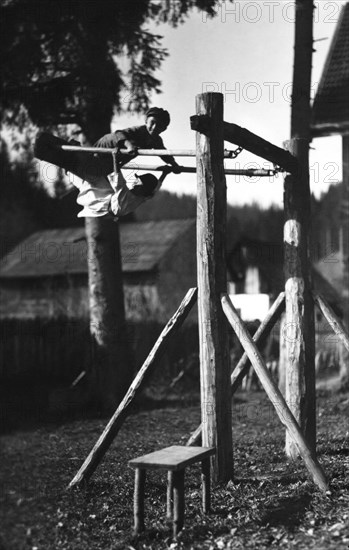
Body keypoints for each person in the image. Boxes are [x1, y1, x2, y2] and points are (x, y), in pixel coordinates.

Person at [71, 164, 173, 219]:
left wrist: (115, 157)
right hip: (110, 200)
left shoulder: (125, 193)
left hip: (101, 204)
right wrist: (165, 173)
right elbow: (156, 188)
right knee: (97, 178)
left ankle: (68, 170)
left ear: (142, 188)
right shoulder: (144, 196)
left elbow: (116, 175)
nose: (134, 182)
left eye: (138, 182)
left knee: (88, 184)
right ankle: (75, 167)